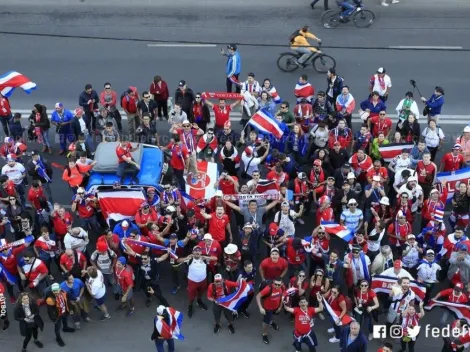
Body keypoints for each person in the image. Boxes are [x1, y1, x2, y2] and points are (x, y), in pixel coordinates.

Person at [256, 276, 285, 344]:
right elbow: (258, 296)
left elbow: (282, 297)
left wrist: (280, 307)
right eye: (275, 284)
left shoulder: (283, 287)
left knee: (272, 316)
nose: (277, 286)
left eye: (279, 284)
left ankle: (271, 323)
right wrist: (260, 308)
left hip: (276, 307)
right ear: (273, 282)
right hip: (268, 309)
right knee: (266, 322)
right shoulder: (268, 288)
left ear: (282, 283)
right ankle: (264, 334)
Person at [45, 282, 75, 347]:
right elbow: (49, 311)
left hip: (64, 311)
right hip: (57, 315)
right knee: (57, 327)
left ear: (60, 289)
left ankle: (65, 328)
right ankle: (58, 338)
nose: (56, 292)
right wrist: (54, 319)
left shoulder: (64, 293)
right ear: (52, 290)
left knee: (65, 320)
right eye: (54, 291)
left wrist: (70, 309)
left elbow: (68, 301)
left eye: (57, 290)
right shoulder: (50, 299)